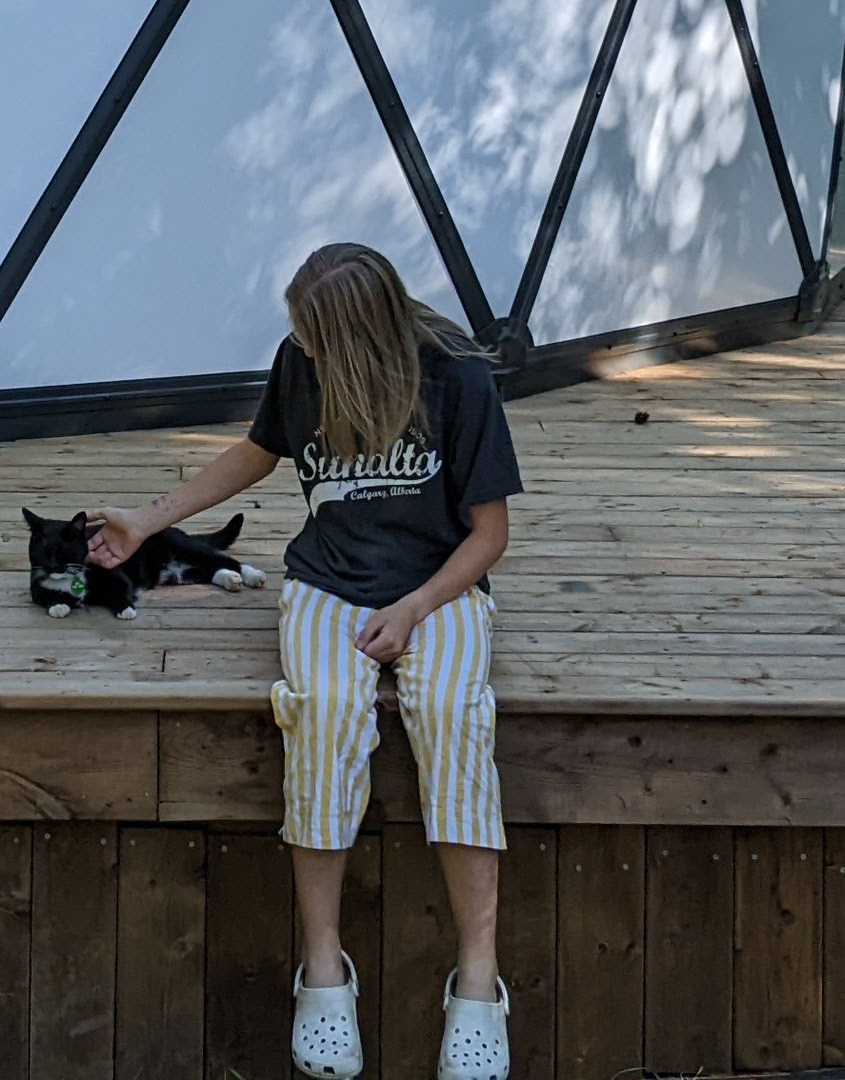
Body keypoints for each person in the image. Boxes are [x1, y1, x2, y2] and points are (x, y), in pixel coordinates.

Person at [88, 241, 522, 1080]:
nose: (299, 344)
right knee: (322, 713)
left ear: (358, 340)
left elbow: (491, 536)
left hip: (439, 586)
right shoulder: (301, 362)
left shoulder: (458, 381)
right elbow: (260, 450)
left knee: (454, 716)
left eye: (314, 336)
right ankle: (324, 966)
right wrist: (150, 518)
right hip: (327, 583)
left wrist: (415, 607)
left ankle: (477, 981)